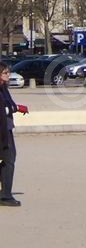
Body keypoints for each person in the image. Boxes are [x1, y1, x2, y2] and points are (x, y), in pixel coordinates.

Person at [1, 61, 29, 207]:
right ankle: (5, 196)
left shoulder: (4, 88)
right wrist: (14, 108)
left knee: (8, 160)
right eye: (5, 73)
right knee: (9, 160)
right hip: (2, 131)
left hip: (6, 128)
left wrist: (16, 107)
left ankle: (5, 193)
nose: (8, 75)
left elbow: (8, 105)